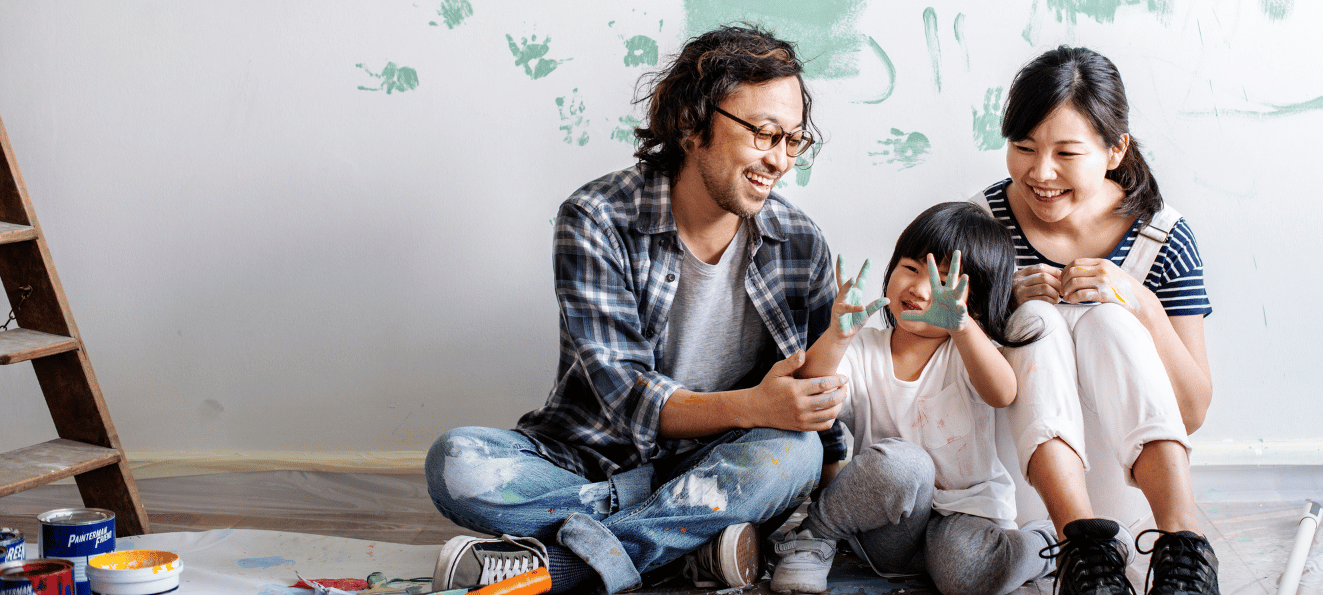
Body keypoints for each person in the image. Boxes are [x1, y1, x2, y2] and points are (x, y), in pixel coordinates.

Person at [422, 25, 850, 595]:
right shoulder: (596, 218)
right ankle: (685, 545)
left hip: (724, 461)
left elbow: (811, 402)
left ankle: (563, 567)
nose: (780, 161)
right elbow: (624, 393)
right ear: (693, 123)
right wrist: (751, 405)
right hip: (594, 461)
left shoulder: (799, 243)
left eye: (794, 140)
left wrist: (818, 463)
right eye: (765, 134)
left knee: (792, 453)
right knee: (457, 461)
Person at [974, 46, 1220, 595]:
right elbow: (933, 370)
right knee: (1034, 316)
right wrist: (995, 307)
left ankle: (1184, 548)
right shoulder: (980, 224)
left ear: (1115, 150)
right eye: (1023, 148)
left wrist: (1139, 302)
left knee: (1110, 321)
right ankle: (1080, 552)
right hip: (1013, 493)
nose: (1041, 173)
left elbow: (1194, 409)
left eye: (1067, 152)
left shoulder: (1162, 237)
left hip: (1131, 495)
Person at [767, 202, 1055, 595]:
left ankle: (1049, 545)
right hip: (891, 527)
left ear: (972, 299)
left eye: (940, 283)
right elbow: (813, 389)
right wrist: (837, 335)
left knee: (972, 577)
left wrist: (964, 328)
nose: (919, 289)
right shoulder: (866, 348)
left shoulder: (966, 350)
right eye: (911, 268)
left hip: (967, 516)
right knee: (904, 464)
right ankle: (813, 536)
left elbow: (1002, 393)